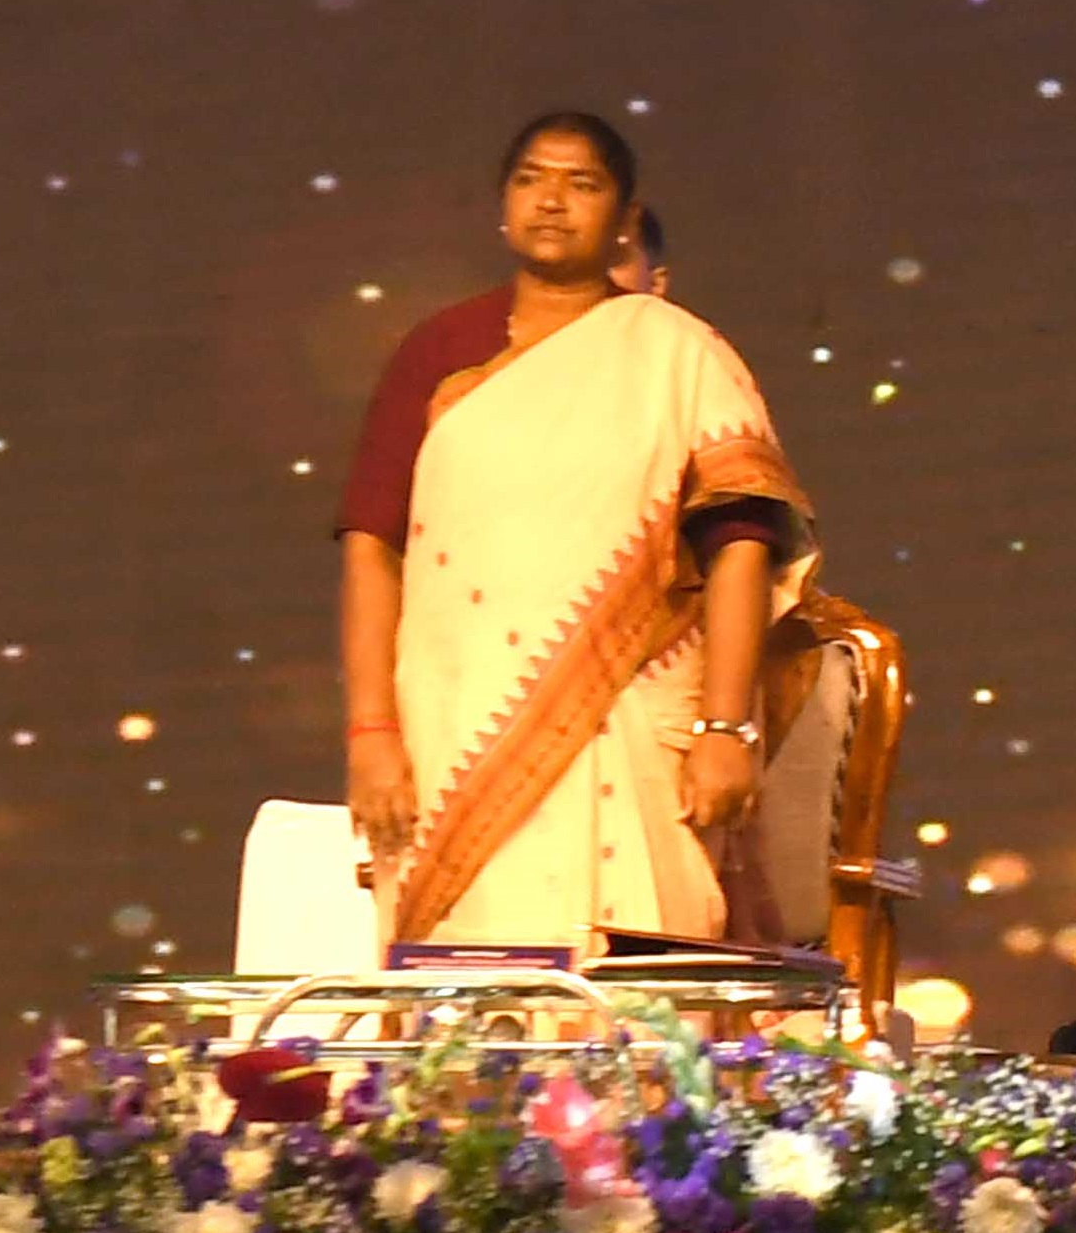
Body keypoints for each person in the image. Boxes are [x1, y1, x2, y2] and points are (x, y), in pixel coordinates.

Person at [335, 114, 810, 944]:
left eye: (581, 183)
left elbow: (740, 546)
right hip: (455, 727)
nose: (552, 201)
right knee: (471, 999)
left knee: (637, 998)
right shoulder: (439, 351)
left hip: (631, 722)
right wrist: (372, 732)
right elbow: (373, 547)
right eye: (531, 178)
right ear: (503, 203)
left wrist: (725, 729)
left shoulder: (680, 352)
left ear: (626, 216)